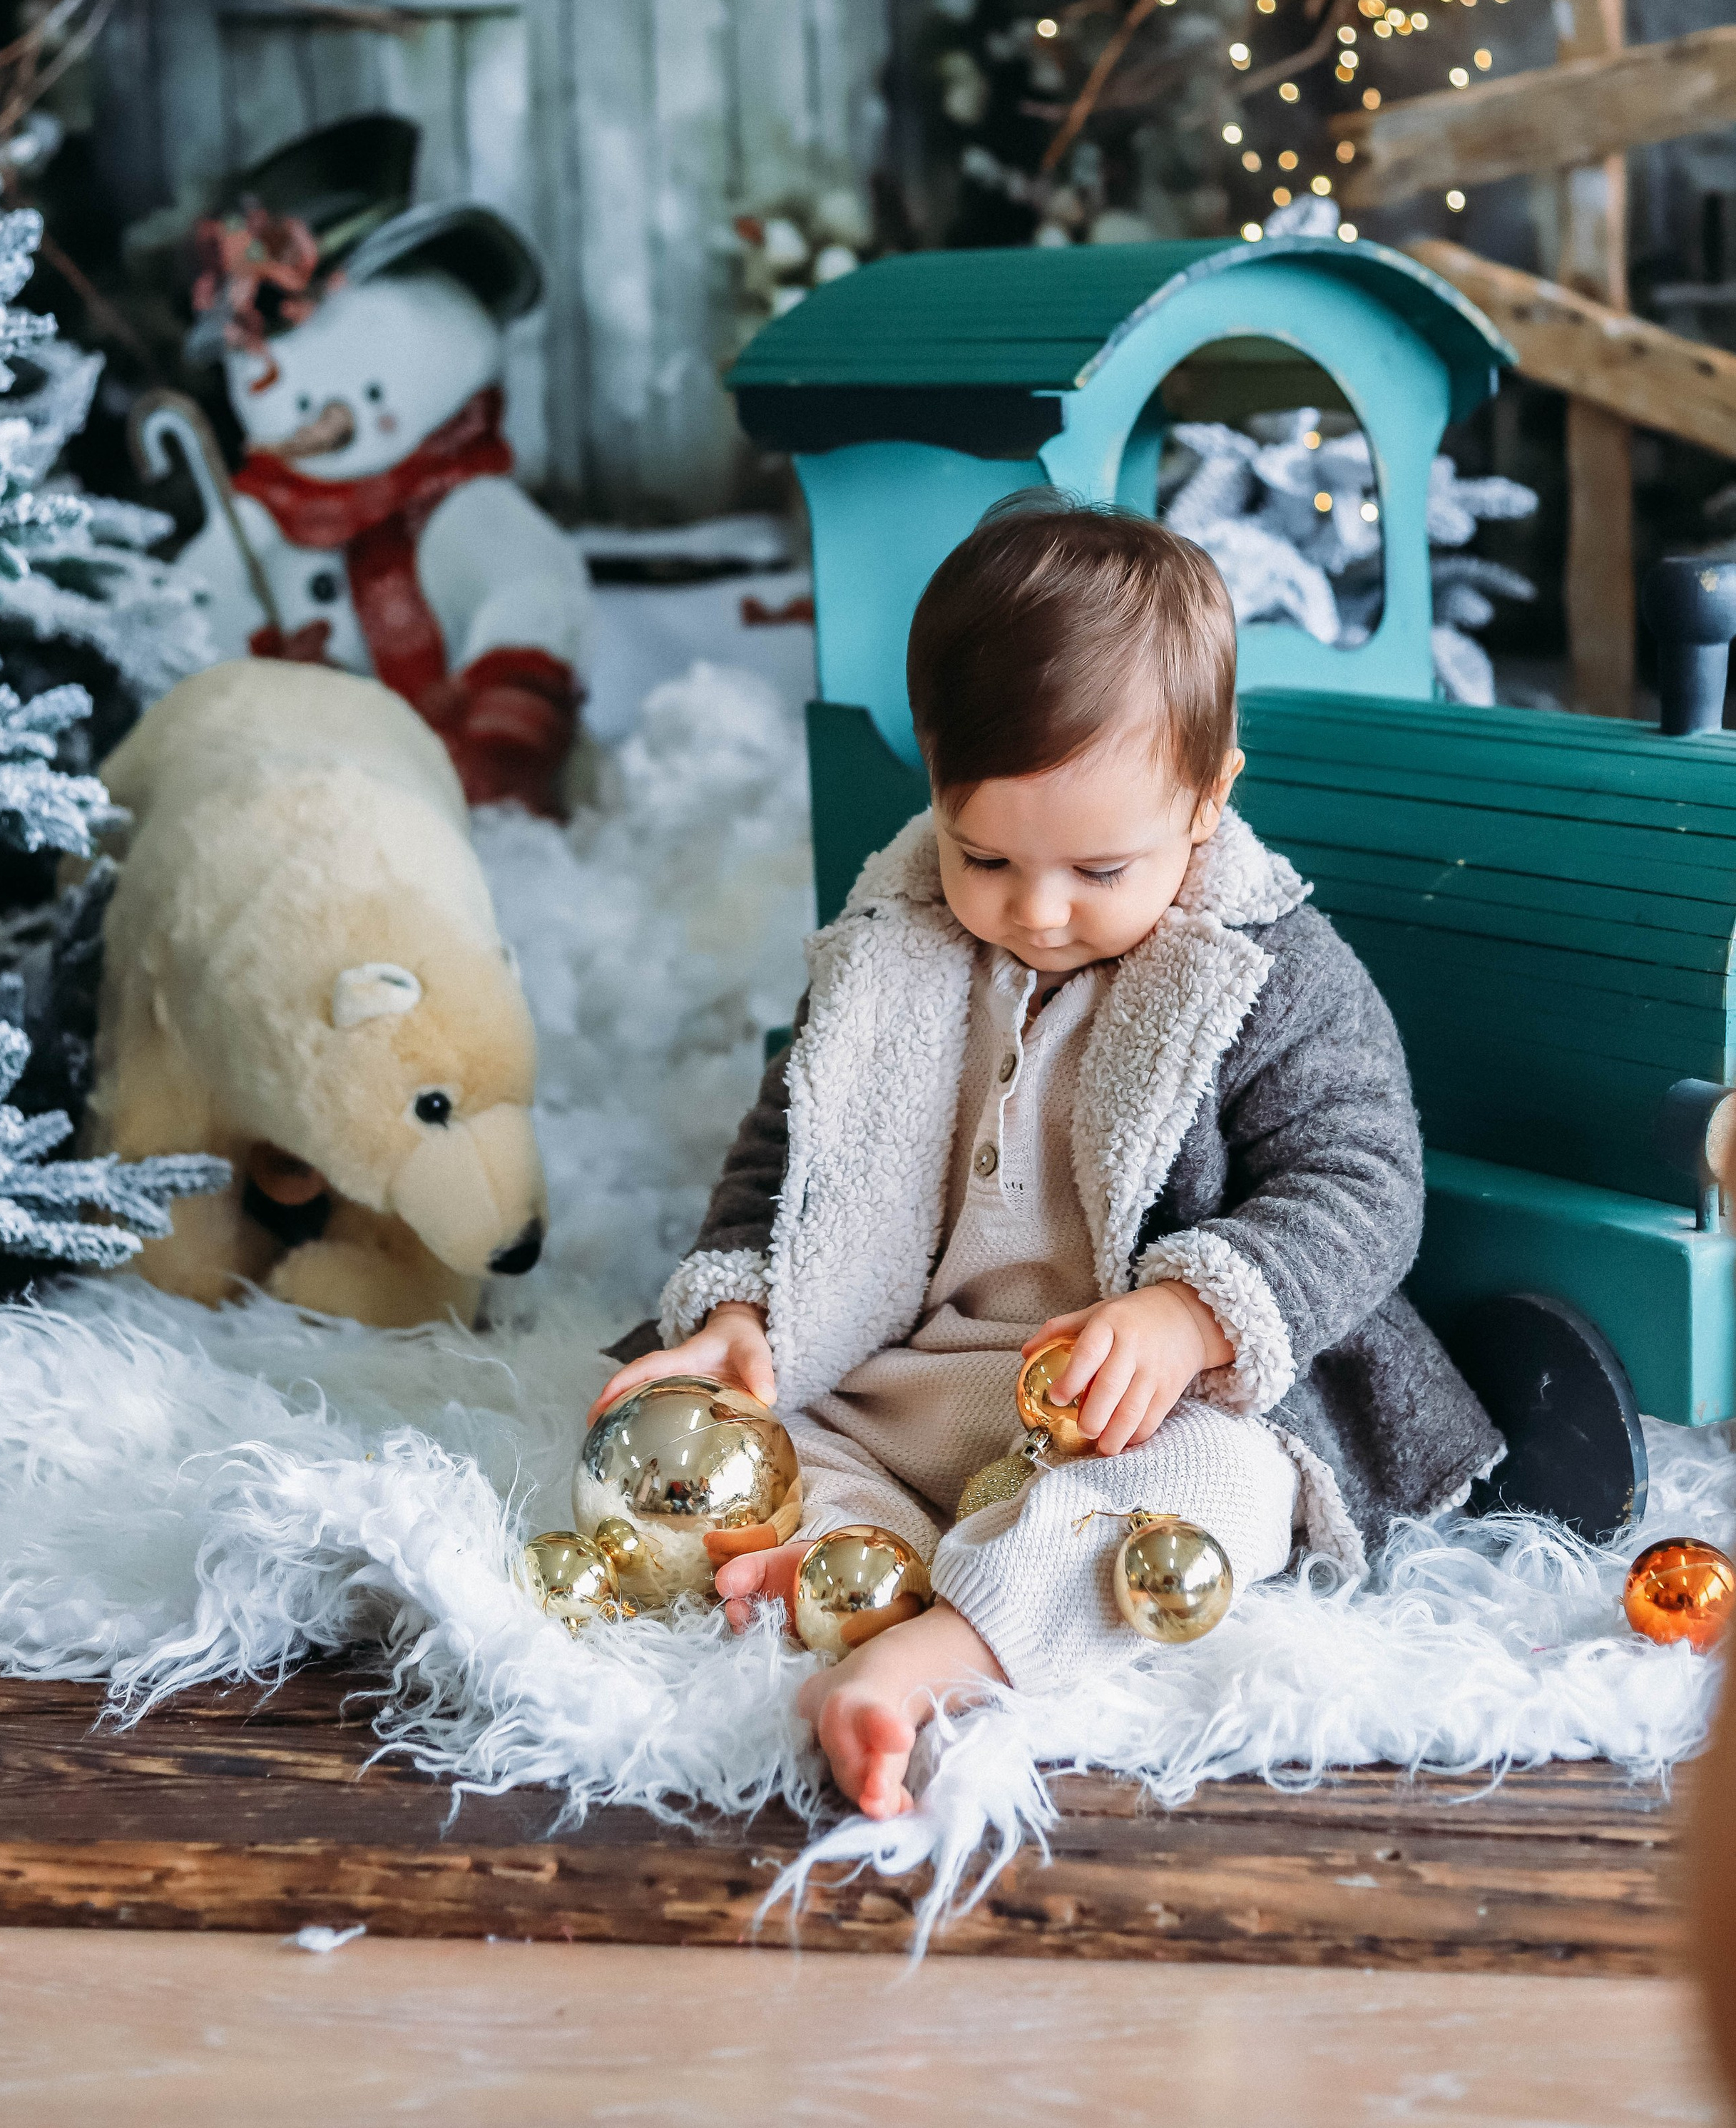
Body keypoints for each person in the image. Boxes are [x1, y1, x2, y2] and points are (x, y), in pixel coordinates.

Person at [591, 498, 1502, 1820]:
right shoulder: (892, 951)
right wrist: (739, 1312)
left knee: (1221, 1487)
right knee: (725, 1428)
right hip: (910, 1378)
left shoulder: (1265, 973)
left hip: (1129, 1408)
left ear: (1209, 797)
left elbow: (1364, 1183)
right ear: (937, 791)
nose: (1038, 908)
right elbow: (787, 1148)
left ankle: (948, 1646)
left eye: (1100, 867)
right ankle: (861, 1556)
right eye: (986, 855)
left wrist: (1192, 1313)